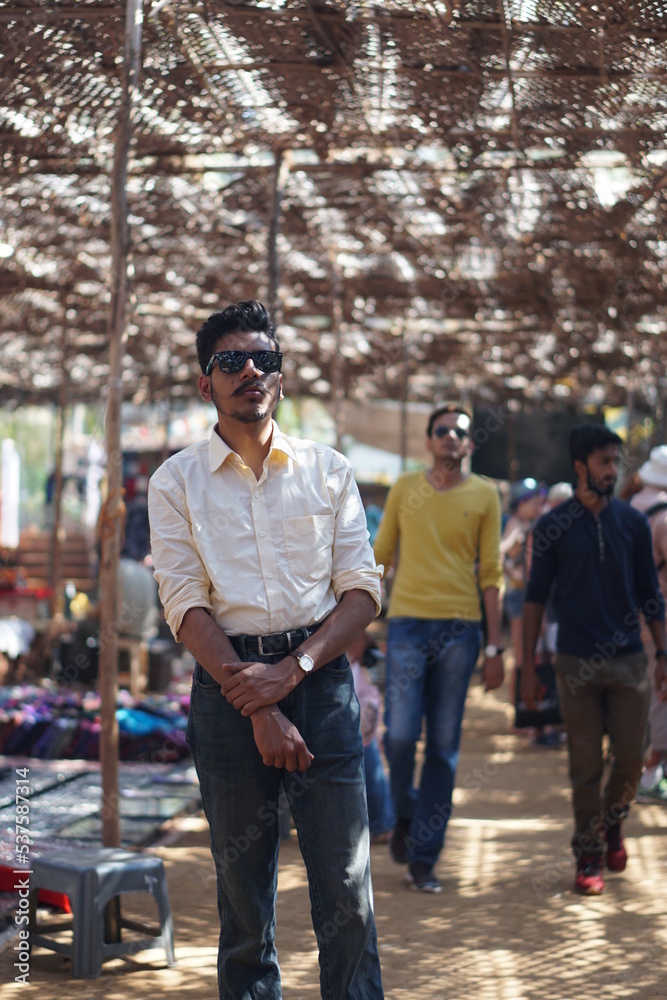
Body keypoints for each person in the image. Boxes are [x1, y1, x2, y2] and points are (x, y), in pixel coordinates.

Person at [148, 300, 385, 999]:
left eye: (264, 359)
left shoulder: (327, 470)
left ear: (280, 377)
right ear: (206, 383)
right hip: (228, 697)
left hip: (321, 686)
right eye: (230, 361)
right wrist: (254, 701)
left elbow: (361, 592)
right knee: (243, 902)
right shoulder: (175, 482)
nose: (250, 370)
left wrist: (294, 671)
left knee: (346, 889)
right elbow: (184, 604)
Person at [522, 424, 667, 896]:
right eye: (605, 461)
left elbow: (650, 595)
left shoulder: (633, 523)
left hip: (629, 661)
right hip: (575, 664)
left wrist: (663, 653)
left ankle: (613, 822)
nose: (613, 469)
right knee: (584, 765)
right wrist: (527, 669)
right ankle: (589, 854)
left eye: (616, 461)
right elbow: (534, 601)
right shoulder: (551, 526)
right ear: (581, 465)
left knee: (629, 760)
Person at [373, 403, 504, 893]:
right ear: (429, 441)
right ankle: (406, 814)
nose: (451, 437)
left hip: (461, 629)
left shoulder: (486, 495)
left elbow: (491, 572)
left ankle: (425, 857)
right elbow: (381, 554)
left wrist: (495, 649)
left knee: (444, 750)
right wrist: (354, 619)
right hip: (406, 625)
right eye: (442, 431)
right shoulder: (407, 487)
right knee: (400, 737)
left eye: (460, 433)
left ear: (469, 444)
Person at [630, 446, 667, 802]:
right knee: (663, 689)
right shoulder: (664, 515)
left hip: (632, 613)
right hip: (660, 616)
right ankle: (650, 773)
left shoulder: (631, 507)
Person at [347, 632, 395, 843]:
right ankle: (380, 822)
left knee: (368, 758)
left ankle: (381, 823)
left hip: (361, 709)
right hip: (358, 703)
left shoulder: (364, 657)